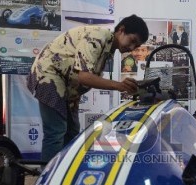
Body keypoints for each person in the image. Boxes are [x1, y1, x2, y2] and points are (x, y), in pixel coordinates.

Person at [27, 14, 149, 162]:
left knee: (72, 131)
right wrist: (119, 85)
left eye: (136, 46)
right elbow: (84, 76)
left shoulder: (108, 47)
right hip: (48, 75)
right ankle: (47, 178)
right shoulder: (97, 36)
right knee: (56, 131)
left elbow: (83, 77)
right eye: (132, 41)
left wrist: (120, 85)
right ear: (121, 30)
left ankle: (64, 172)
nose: (131, 48)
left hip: (67, 85)